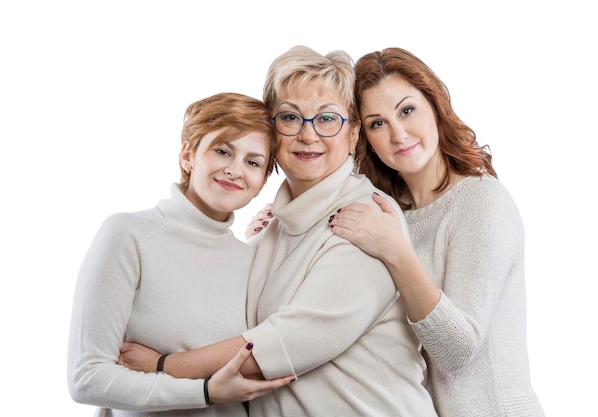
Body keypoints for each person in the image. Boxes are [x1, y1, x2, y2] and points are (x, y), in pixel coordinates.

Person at [118, 45, 438, 417]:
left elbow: (285, 343)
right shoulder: (272, 230)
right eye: (290, 118)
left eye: (327, 119)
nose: (308, 135)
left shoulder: (366, 218)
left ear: (353, 137)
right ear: (272, 133)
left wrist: (162, 367)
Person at [327, 47, 545, 417]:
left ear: (435, 105)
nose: (398, 134)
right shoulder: (388, 213)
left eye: (407, 110)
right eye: (377, 123)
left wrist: (396, 250)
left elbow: (457, 351)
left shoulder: (480, 200)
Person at [67, 92, 294, 417]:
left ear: (261, 184)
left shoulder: (253, 262)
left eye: (253, 162)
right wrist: (205, 391)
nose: (235, 170)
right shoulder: (128, 235)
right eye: (222, 151)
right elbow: (87, 377)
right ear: (188, 155)